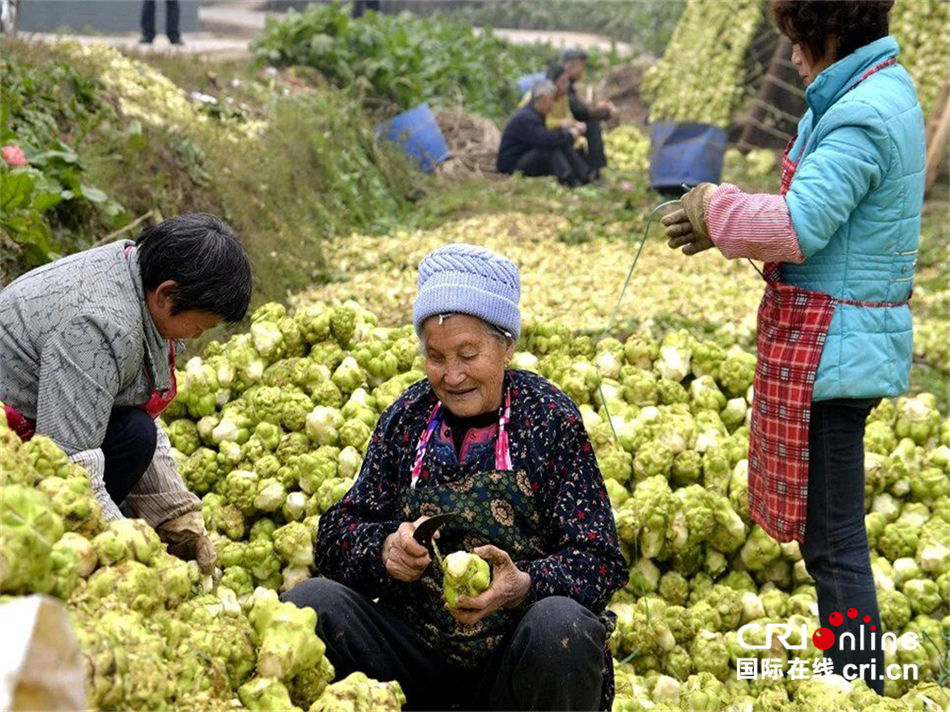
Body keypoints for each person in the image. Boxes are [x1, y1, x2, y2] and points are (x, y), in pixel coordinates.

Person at [662, 0, 922, 695]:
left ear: (832, 32)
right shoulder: (876, 92)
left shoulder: (862, 116)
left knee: (835, 541)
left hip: (833, 349)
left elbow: (798, 226)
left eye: (801, 39)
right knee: (826, 532)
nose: (798, 54)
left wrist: (715, 208)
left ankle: (857, 684)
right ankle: (850, 674)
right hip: (840, 341)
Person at [283, 244, 628, 711]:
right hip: (413, 660)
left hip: (514, 664)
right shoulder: (407, 418)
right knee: (312, 603)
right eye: (436, 356)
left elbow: (600, 560)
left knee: (561, 628)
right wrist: (385, 549)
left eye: (469, 354)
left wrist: (521, 585)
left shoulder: (547, 418)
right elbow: (334, 536)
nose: (452, 375)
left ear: (507, 346)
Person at [0, 213, 253, 574]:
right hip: (10, 428)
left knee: (137, 432)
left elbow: (134, 408)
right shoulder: (99, 330)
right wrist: (134, 554)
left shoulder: (134, 271)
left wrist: (178, 515)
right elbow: (68, 465)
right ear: (167, 294)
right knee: (130, 441)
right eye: (202, 324)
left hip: (51, 409)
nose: (198, 335)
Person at [497, 79, 591, 187]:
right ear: (542, 99)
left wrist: (568, 135)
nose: (552, 105)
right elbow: (544, 140)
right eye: (551, 100)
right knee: (549, 149)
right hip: (511, 166)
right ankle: (569, 179)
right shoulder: (527, 118)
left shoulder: (535, 114)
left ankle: (584, 176)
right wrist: (569, 135)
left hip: (525, 157)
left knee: (560, 144)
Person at [561, 48, 615, 178]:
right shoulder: (562, 81)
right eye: (582, 66)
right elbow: (578, 111)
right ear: (571, 66)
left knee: (592, 124)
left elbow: (577, 106)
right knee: (593, 125)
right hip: (557, 121)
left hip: (565, 119)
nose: (582, 71)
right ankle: (595, 169)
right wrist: (601, 112)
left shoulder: (568, 82)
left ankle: (594, 168)